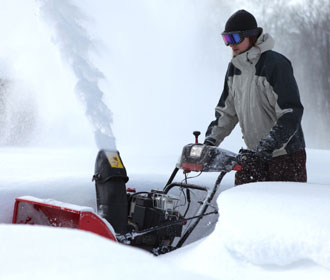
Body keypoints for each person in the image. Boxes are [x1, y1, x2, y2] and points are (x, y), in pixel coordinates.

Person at [204, 9, 307, 185]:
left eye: (235, 38)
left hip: (285, 157)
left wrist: (270, 144)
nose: (231, 45)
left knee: (282, 209)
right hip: (255, 155)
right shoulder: (234, 68)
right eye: (226, 40)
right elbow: (227, 112)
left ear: (251, 36)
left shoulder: (275, 65)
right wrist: (209, 143)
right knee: (245, 204)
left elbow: (291, 112)